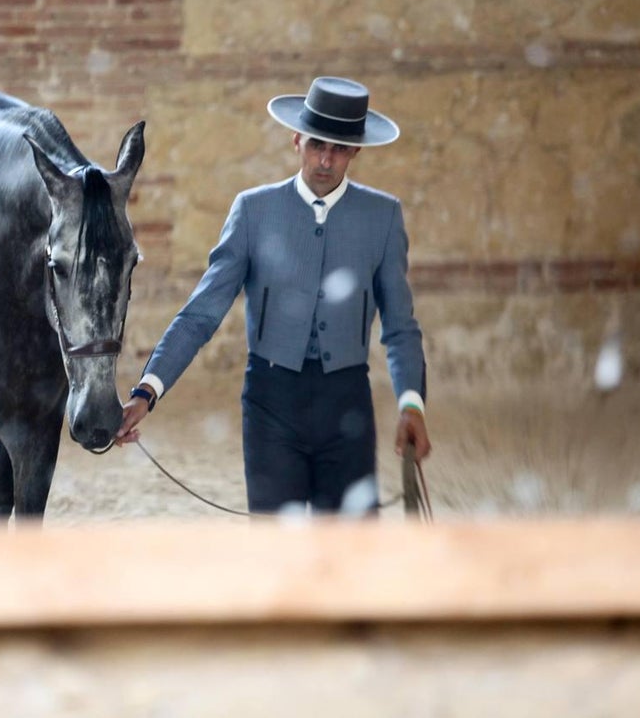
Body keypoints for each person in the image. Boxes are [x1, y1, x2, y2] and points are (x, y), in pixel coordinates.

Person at [115, 76, 431, 515]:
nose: (325, 159)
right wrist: (146, 392)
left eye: (340, 148)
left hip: (347, 409)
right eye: (317, 143)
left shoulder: (382, 217)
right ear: (296, 139)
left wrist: (411, 403)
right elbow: (201, 315)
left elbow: (399, 327)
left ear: (356, 150)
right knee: (275, 547)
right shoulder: (253, 211)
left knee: (351, 554)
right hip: (270, 404)